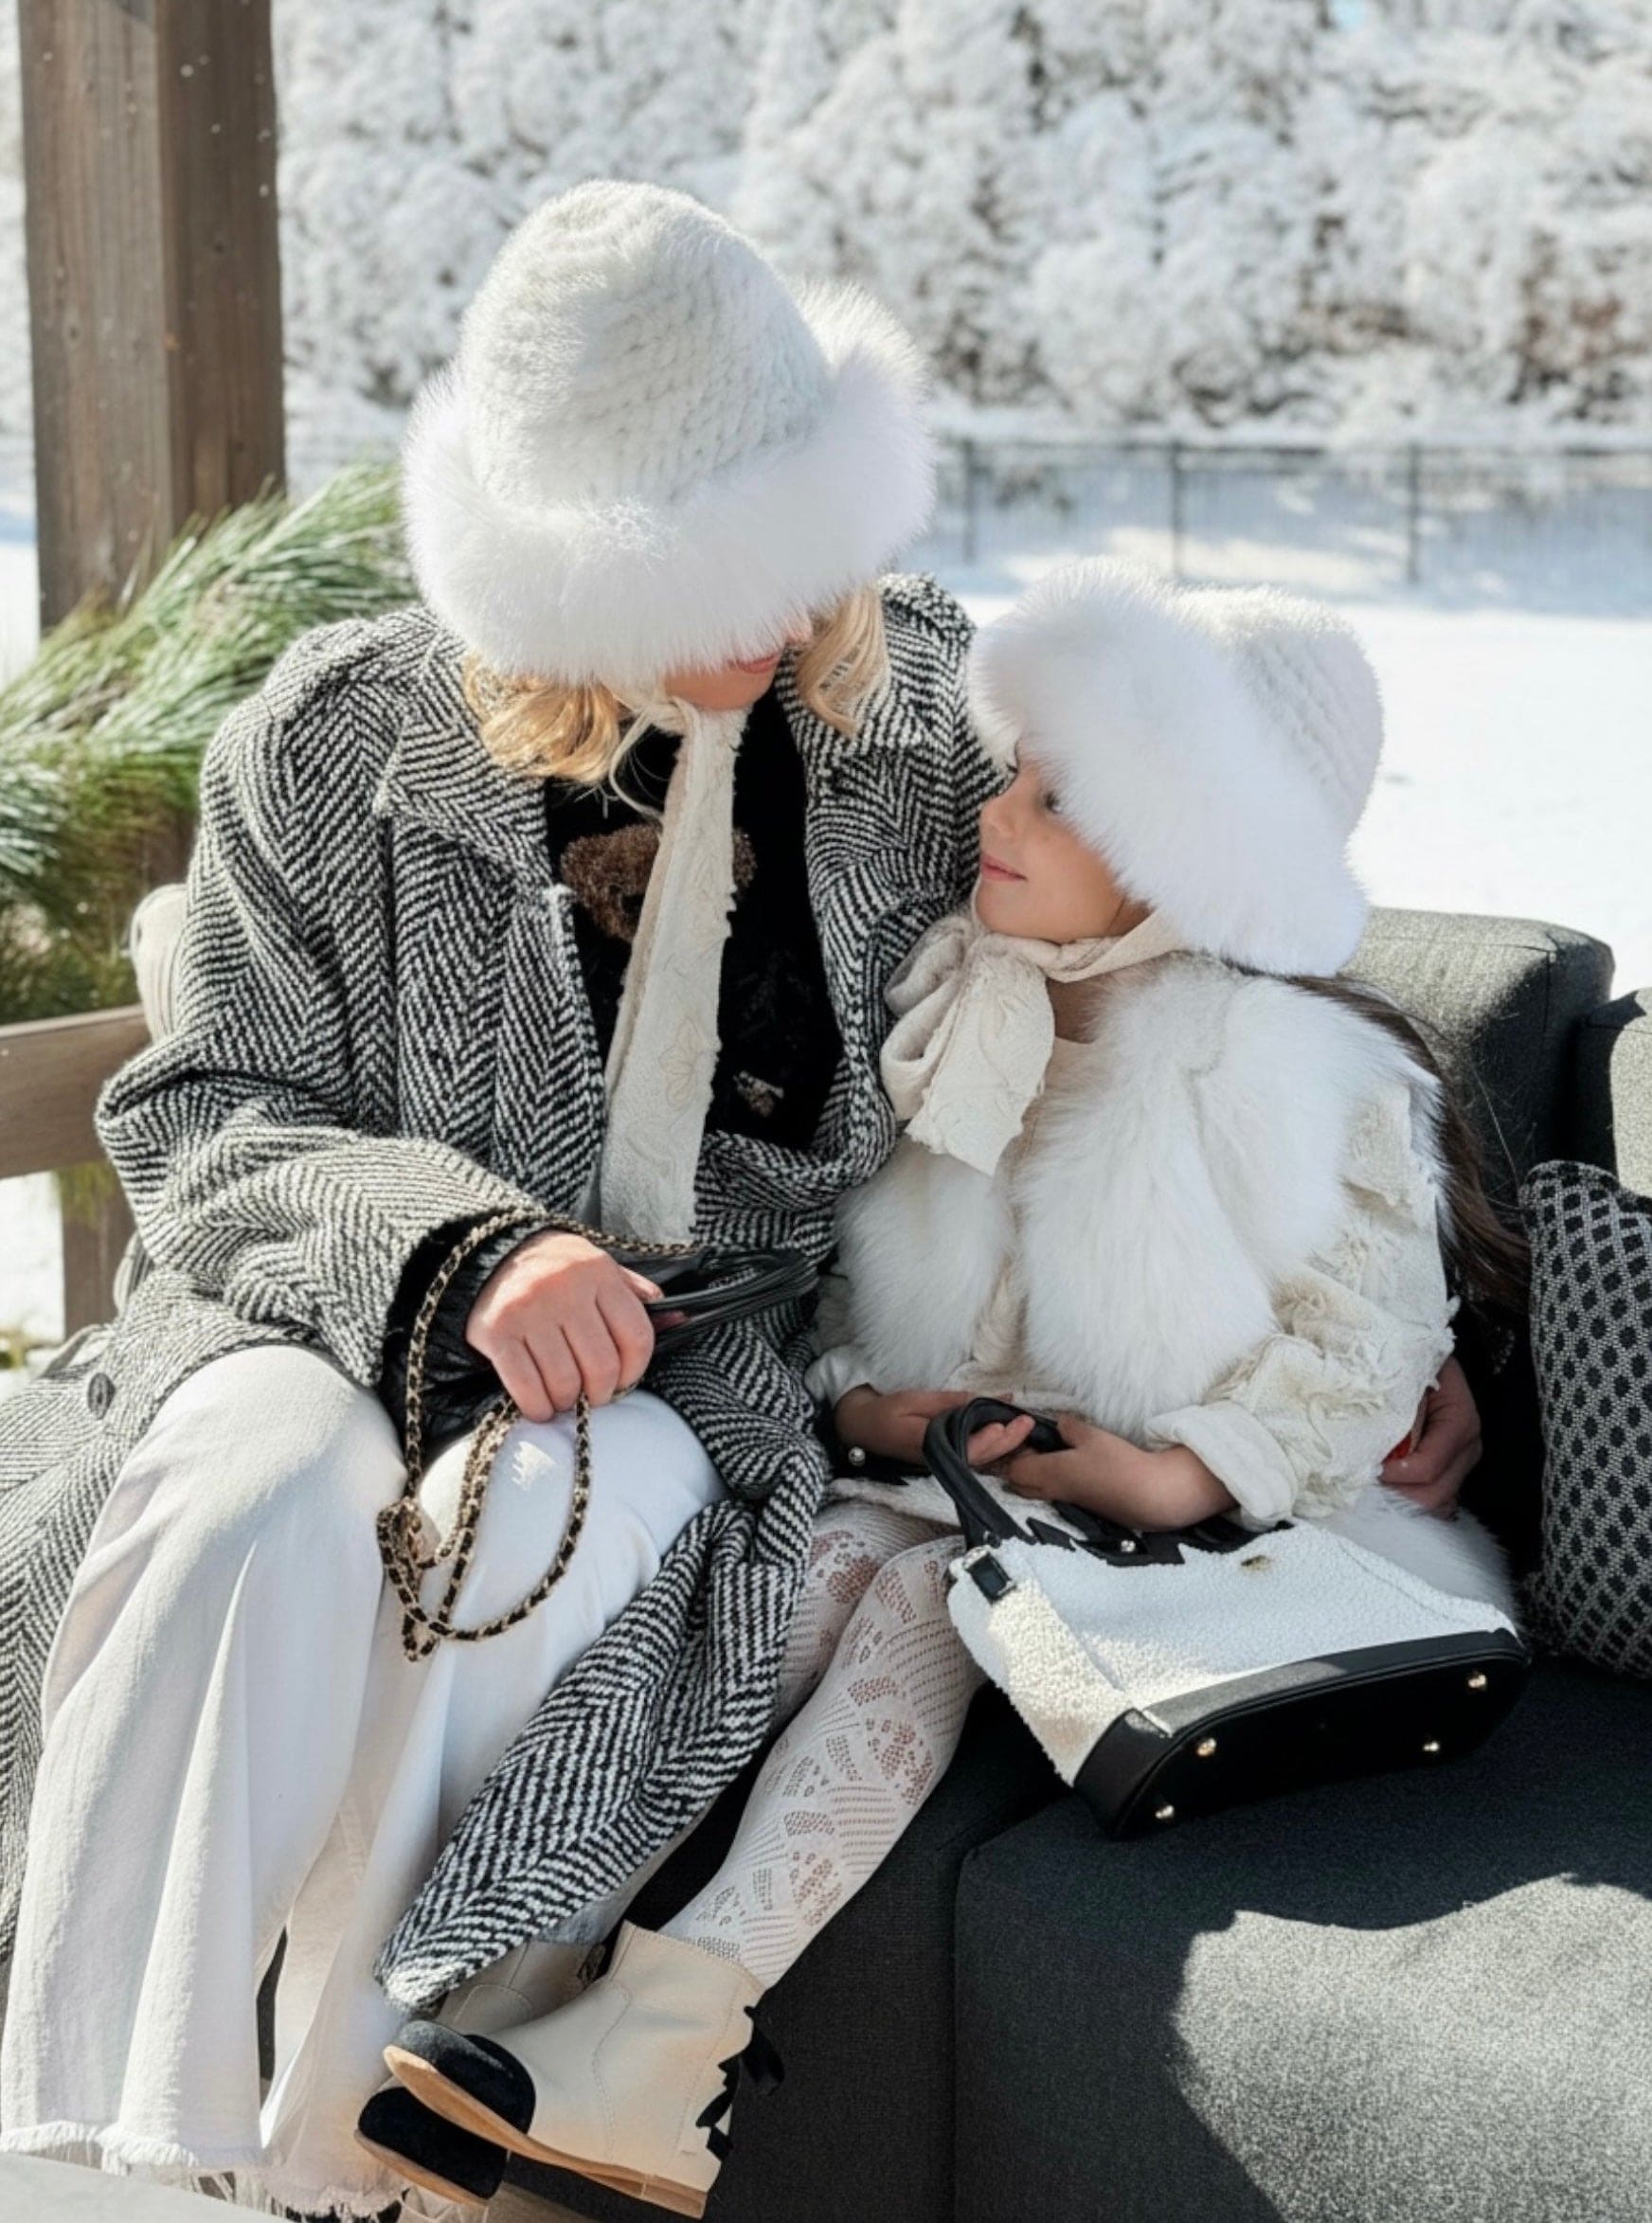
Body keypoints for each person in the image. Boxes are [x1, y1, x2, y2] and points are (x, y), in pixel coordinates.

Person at [0, 178, 977, 2219]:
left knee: (521, 1521)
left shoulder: (922, 739)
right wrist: (461, 1250)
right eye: (674, 577)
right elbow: (206, 1111)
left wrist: (1372, 1319)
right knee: (246, 1493)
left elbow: (1171, 954)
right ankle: (88, 2153)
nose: (750, 624)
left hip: (690, 1373)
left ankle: (337, 2169)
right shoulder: (332, 741)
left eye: (787, 558)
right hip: (312, 1312)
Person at [377, 559, 1525, 2220]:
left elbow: (1364, 1349)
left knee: (921, 1599)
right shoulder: (961, 1009)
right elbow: (857, 1293)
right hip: (970, 1488)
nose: (999, 811)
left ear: (1182, 851)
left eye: (1061, 797)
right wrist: (871, 1415)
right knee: (805, 1567)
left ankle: (667, 2043)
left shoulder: (1301, 1075)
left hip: (1224, 1543)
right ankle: (513, 1972)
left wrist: (1168, 1475)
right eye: (1015, 768)